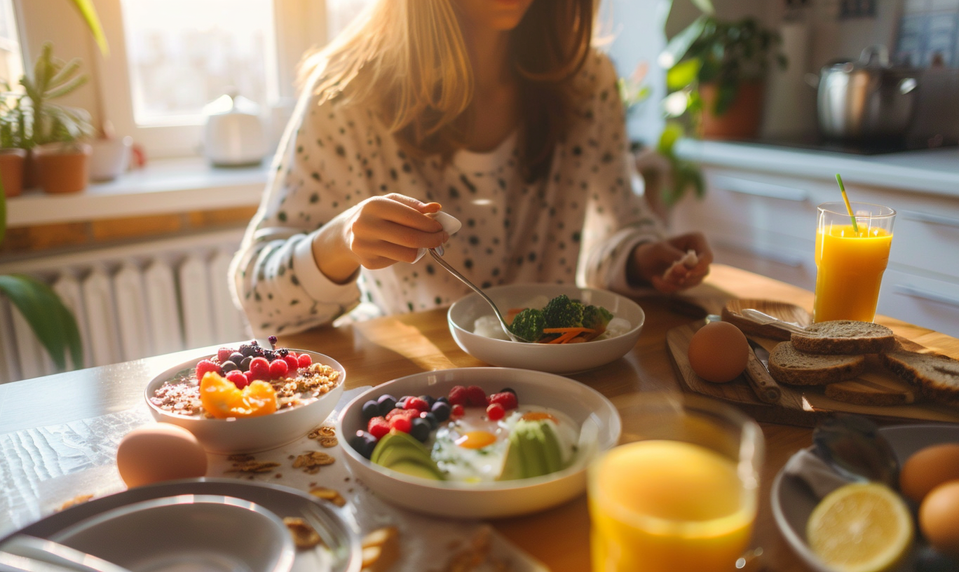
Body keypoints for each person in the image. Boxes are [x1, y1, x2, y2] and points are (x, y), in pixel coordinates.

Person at [230, 0, 712, 336]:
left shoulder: (587, 82)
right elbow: (257, 292)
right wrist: (342, 241)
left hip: (564, 384)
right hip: (418, 391)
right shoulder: (344, 95)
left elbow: (618, 228)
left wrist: (643, 256)